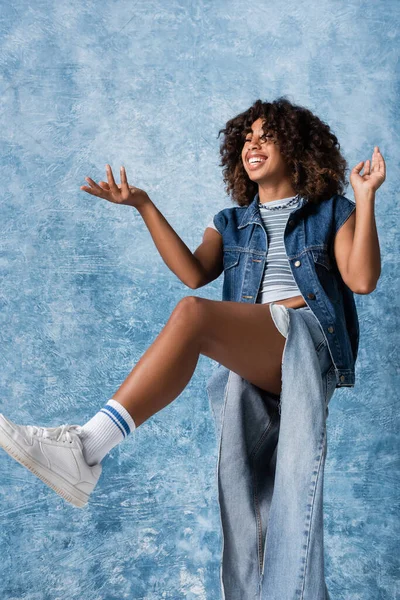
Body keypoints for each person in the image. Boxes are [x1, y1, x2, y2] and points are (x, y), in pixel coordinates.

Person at [0, 97, 385, 510]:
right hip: (264, 344)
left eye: (267, 137)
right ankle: (85, 452)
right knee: (250, 496)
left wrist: (364, 198)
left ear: (296, 149)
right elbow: (194, 273)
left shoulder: (332, 212)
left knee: (193, 312)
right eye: (247, 138)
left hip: (310, 345)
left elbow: (361, 280)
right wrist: (144, 205)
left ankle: (87, 446)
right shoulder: (229, 223)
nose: (253, 145)